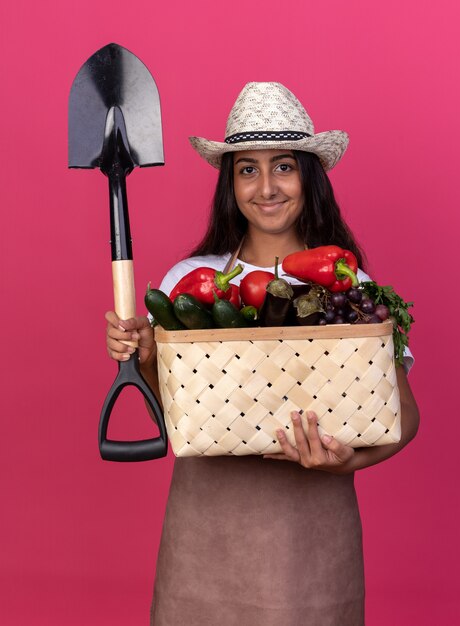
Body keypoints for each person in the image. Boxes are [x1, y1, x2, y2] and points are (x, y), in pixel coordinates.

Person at [105, 82, 420, 626]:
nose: (266, 187)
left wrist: (347, 460)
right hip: (208, 531)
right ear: (230, 183)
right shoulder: (189, 281)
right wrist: (141, 354)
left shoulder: (352, 286)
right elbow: (177, 413)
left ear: (309, 177)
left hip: (312, 533)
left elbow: (405, 417)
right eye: (247, 169)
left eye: (284, 166)